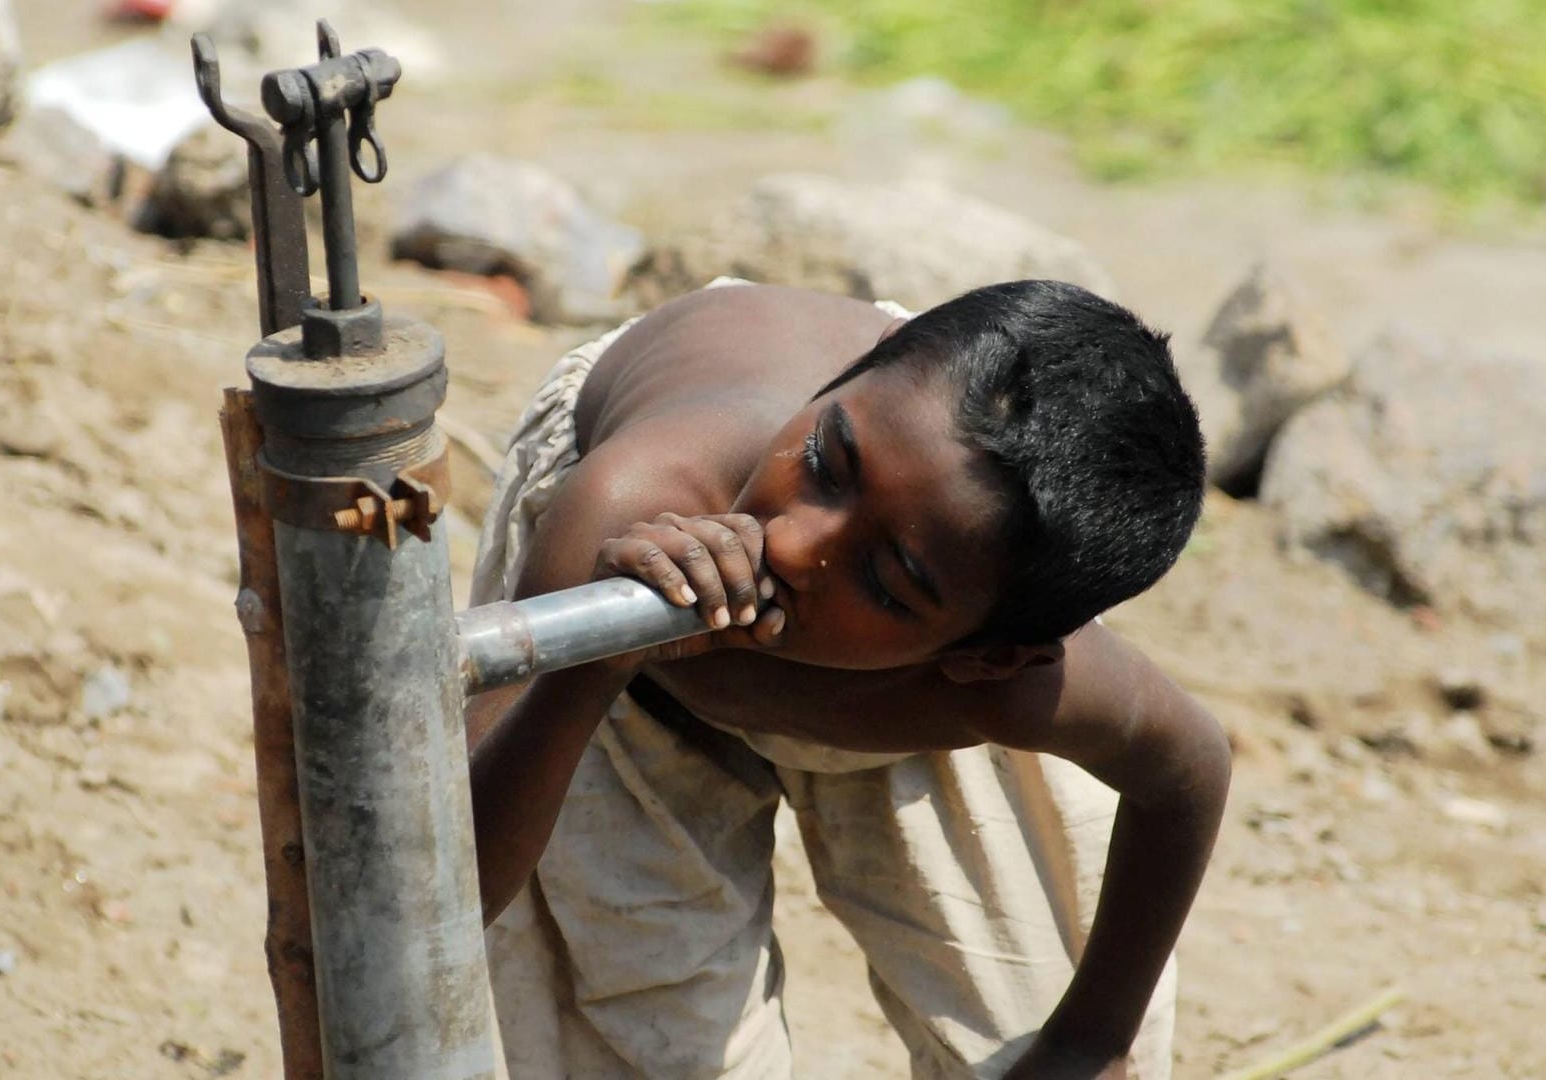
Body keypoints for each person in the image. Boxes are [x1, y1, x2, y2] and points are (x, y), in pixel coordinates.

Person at [464, 277, 1229, 1080]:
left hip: (934, 571)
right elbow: (452, 889)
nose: (791, 545)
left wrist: (1091, 1039)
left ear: (983, 657)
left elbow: (1188, 773)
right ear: (839, 385)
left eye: (885, 580)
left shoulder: (1004, 665)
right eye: (825, 466)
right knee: (639, 1043)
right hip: (623, 652)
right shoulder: (631, 512)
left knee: (1037, 1030)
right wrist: (596, 662)